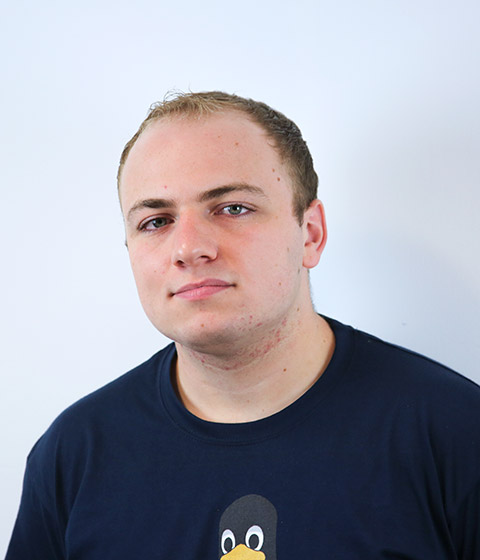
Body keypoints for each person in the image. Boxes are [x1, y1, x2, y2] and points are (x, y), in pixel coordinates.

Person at [7, 91, 480, 559]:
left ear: (310, 234)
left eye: (232, 208)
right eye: (156, 221)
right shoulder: (74, 454)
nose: (189, 248)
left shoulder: (455, 433)